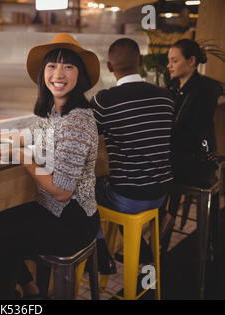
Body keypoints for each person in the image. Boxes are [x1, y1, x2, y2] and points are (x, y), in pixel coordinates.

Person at [0, 33, 101, 299]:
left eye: (68, 66)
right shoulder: (55, 111)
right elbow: (33, 136)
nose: (58, 74)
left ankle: (10, 296)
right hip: (55, 213)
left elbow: (61, 191)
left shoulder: (76, 121)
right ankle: (30, 288)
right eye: (52, 66)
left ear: (80, 75)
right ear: (43, 73)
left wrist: (21, 157)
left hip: (71, 222)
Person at [90, 38, 175, 268]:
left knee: (84, 186)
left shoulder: (104, 101)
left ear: (109, 67)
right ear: (141, 61)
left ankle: (99, 252)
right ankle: (140, 248)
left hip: (128, 198)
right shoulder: (166, 97)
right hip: (160, 194)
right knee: (121, 181)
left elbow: (83, 135)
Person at [160, 38, 222, 244]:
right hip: (176, 156)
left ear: (192, 61)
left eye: (174, 60)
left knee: (153, 174)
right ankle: (160, 227)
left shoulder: (206, 90)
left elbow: (196, 133)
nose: (169, 65)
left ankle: (161, 224)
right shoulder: (173, 86)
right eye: (169, 60)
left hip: (198, 160)